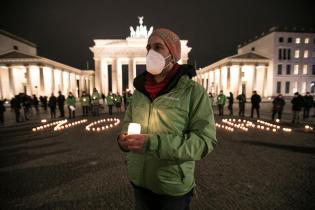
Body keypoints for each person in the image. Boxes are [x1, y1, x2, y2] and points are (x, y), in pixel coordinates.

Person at [117, 28, 217, 210]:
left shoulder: (193, 92)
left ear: (172, 53)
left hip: (172, 188)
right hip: (139, 181)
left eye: (158, 47)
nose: (150, 53)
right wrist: (123, 140)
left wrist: (153, 143)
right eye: (148, 48)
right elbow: (127, 124)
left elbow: (204, 141)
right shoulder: (139, 92)